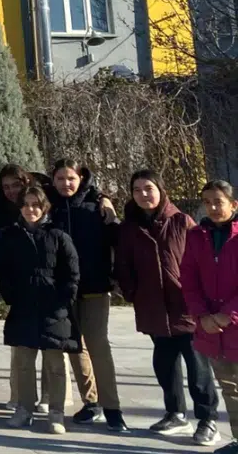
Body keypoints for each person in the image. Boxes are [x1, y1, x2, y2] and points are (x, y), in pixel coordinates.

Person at [116, 169, 218, 445]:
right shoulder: (129, 228)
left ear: (161, 190)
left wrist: (201, 296)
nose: (143, 194)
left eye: (148, 188)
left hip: (186, 306)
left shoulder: (180, 221)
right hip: (152, 307)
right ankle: (175, 413)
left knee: (198, 368)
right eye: (137, 190)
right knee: (164, 364)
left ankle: (207, 419)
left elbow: (202, 260)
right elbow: (123, 265)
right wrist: (131, 292)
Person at [47, 158, 125, 432]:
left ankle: (113, 407)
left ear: (81, 178)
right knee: (73, 347)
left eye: (71, 178)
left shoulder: (96, 208)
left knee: (98, 346)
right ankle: (91, 402)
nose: (65, 184)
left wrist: (116, 276)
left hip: (93, 288)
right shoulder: (50, 208)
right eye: (60, 179)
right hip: (62, 291)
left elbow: (117, 242)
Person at [0, 185, 79, 435]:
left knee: (55, 363)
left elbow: (72, 272)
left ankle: (56, 412)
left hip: (53, 308)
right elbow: (3, 269)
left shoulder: (58, 235)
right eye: (26, 204)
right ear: (20, 207)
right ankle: (24, 409)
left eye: (35, 204)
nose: (30, 209)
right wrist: (10, 295)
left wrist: (63, 301)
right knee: (23, 362)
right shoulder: (11, 235)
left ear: (44, 207)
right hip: (23, 306)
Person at [182, 180, 238, 454]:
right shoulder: (197, 236)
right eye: (208, 202)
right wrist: (202, 315)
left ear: (233, 204)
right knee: (230, 388)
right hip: (211, 328)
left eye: (219, 202)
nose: (213, 207)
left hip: (233, 323)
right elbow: (188, 278)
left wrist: (229, 315)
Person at [0, 163, 35, 413]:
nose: (11, 191)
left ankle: (49, 399)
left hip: (39, 281)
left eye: (16, 185)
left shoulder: (39, 203)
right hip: (10, 280)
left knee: (51, 344)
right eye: (6, 186)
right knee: (19, 341)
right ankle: (17, 395)